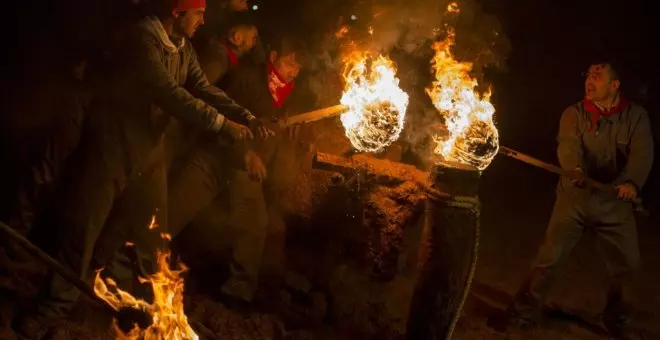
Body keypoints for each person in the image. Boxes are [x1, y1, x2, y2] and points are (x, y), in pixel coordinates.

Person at [12, 0, 272, 337]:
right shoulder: (143, 40)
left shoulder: (183, 48)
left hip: (150, 154)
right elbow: (169, 93)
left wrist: (247, 116)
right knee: (82, 232)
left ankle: (130, 302)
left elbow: (204, 88)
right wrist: (223, 124)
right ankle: (49, 309)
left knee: (152, 238)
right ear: (178, 13)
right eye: (198, 14)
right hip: (112, 145)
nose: (204, 22)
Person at [505, 61, 654, 338]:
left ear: (614, 85)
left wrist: (631, 183)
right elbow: (569, 147)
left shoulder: (636, 117)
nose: (590, 79)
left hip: (614, 204)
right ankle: (521, 313)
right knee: (548, 260)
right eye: (588, 75)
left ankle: (616, 320)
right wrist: (574, 170)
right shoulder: (573, 114)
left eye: (598, 76)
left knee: (628, 267)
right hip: (574, 199)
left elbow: (642, 155)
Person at [167, 36, 307, 304]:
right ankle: (131, 267)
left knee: (255, 224)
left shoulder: (289, 95)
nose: (292, 72)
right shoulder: (245, 78)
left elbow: (275, 131)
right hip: (215, 156)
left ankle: (238, 293)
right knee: (173, 209)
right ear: (274, 56)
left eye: (298, 68)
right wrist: (247, 153)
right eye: (289, 63)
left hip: (247, 170)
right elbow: (220, 114)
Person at [195, 11, 259, 86]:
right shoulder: (218, 59)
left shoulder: (227, 58)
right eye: (253, 37)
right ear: (237, 37)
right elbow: (198, 89)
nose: (255, 42)